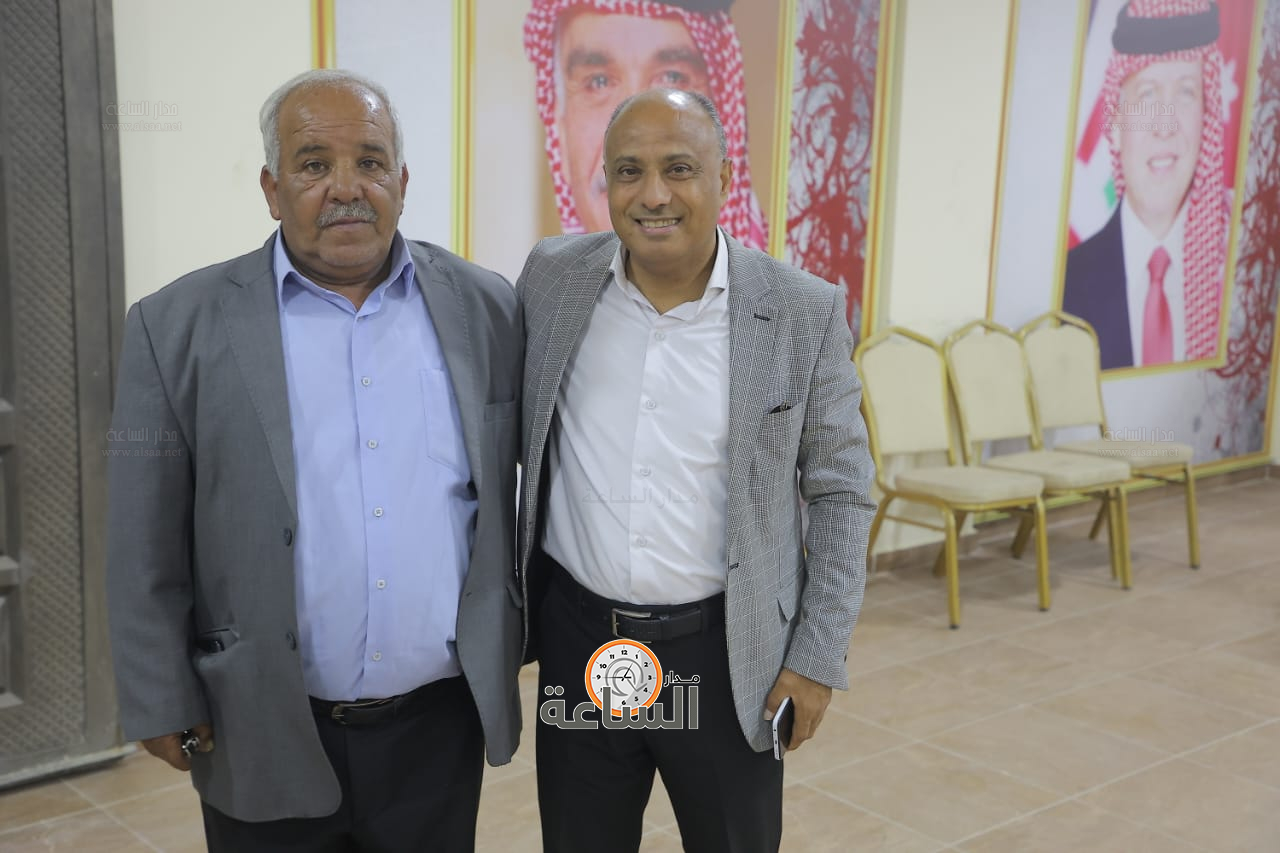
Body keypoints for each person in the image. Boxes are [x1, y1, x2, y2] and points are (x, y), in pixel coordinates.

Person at [105, 69, 522, 852]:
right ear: (272, 188)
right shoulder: (177, 326)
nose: (346, 188)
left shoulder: (485, 306)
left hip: (437, 728)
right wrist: (159, 695)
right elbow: (141, 538)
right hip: (260, 723)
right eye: (313, 164)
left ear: (402, 181)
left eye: (370, 161)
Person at [516, 88, 875, 852]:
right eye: (628, 171)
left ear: (723, 176)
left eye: (678, 168)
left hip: (726, 657)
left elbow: (842, 492)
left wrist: (817, 656)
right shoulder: (552, 279)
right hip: (582, 646)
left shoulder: (801, 311)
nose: (653, 195)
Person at [1063, 0, 1228, 370]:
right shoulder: (1064, 288)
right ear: (1115, 126)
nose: (1165, 126)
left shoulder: (1240, 282)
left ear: (1207, 116)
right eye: (1148, 95)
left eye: (1186, 93)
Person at [523, 0, 769, 248]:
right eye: (598, 82)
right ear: (561, 136)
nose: (634, 130)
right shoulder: (548, 272)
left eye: (672, 78)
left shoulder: (769, 273)